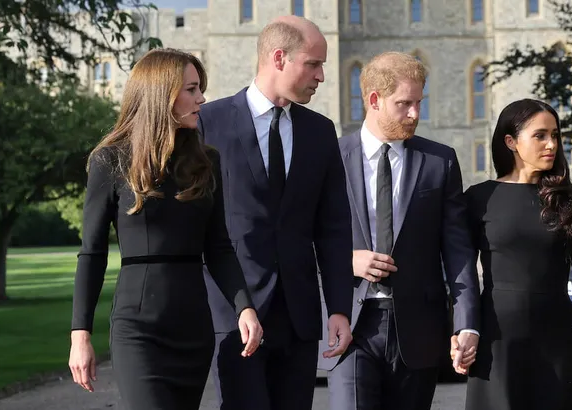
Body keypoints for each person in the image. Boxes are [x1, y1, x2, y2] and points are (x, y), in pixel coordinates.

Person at [68, 48, 263, 410]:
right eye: (191, 89)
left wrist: (244, 308)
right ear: (162, 92)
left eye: (199, 88)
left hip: (193, 328)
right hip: (138, 331)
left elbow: (219, 247)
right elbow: (92, 253)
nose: (201, 98)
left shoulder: (207, 162)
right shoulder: (110, 160)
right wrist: (80, 334)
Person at [197, 16, 354, 410]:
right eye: (313, 64)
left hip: (299, 317)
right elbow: (193, 222)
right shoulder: (208, 123)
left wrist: (338, 307)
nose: (321, 76)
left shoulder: (320, 131)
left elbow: (333, 228)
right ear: (279, 58)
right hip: (233, 313)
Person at [318, 51, 481, 410]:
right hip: (350, 323)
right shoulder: (329, 157)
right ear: (374, 100)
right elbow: (300, 235)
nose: (415, 114)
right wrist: (345, 260)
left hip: (418, 329)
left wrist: (466, 323)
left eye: (419, 103)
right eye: (404, 103)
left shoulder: (441, 162)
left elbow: (458, 249)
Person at [454, 99, 572, 410]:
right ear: (511, 141)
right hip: (495, 342)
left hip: (553, 340)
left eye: (555, 135)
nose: (551, 144)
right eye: (540, 135)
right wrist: (459, 331)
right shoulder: (478, 198)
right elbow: (462, 275)